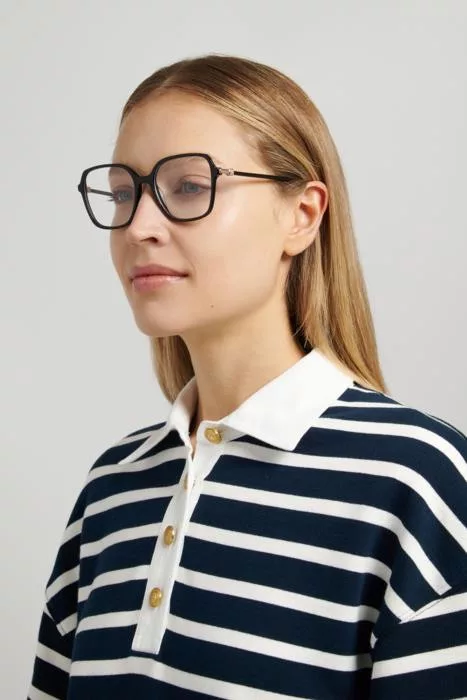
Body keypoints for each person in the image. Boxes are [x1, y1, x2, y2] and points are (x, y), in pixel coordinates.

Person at [28, 54, 467, 700]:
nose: (139, 227)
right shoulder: (111, 490)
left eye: (187, 186)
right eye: (123, 193)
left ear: (302, 215)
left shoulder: (420, 483)